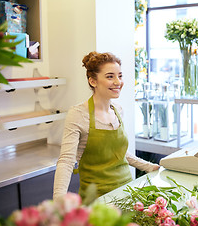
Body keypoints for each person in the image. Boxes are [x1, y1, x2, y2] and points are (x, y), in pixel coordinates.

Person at [53, 51, 160, 200]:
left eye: (120, 76)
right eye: (110, 76)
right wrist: (58, 201)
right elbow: (66, 161)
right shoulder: (78, 114)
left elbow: (119, 153)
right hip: (97, 199)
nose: (118, 82)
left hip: (127, 193)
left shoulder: (118, 110)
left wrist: (150, 167)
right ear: (93, 81)